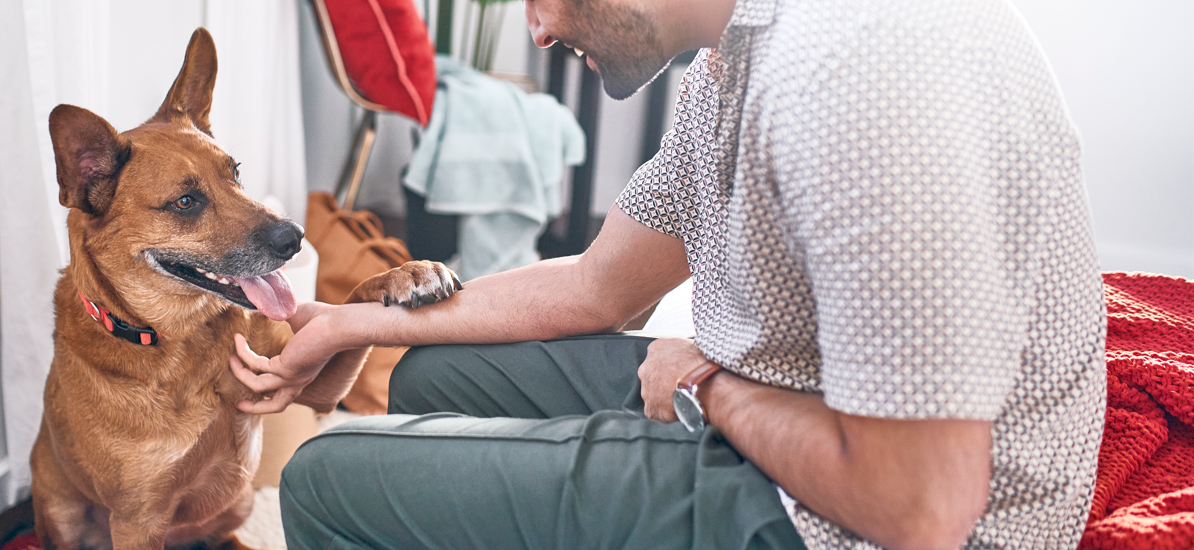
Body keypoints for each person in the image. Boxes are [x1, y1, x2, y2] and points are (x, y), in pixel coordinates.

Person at [230, 0, 1107, 547]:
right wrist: (349, 322)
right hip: (799, 407)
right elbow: (596, 285)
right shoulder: (734, 63)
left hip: (865, 522)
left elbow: (921, 511)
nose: (535, 28)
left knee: (326, 476)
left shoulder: (855, 69)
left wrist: (708, 390)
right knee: (431, 369)